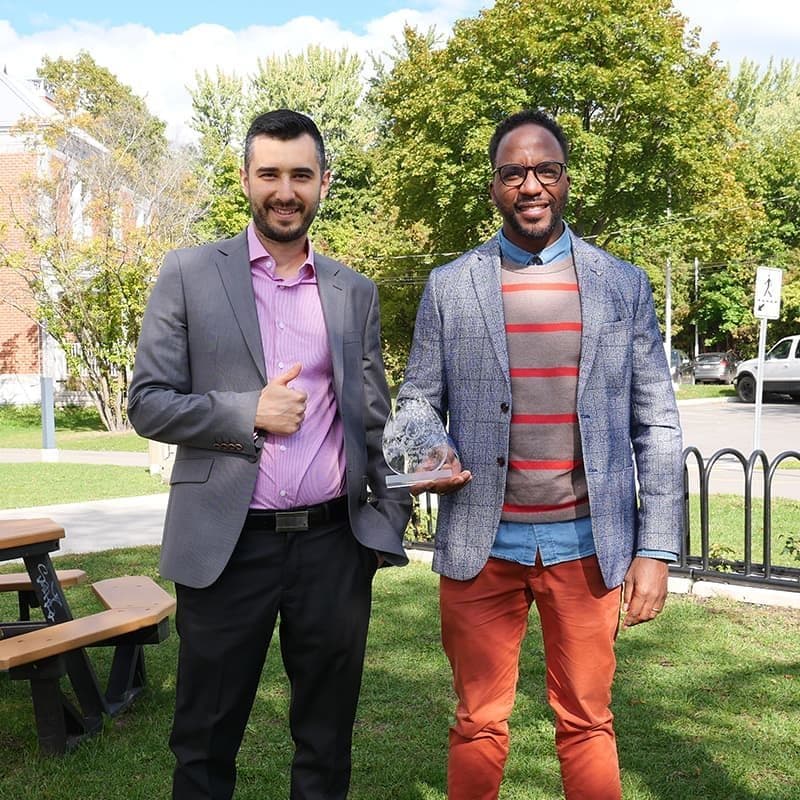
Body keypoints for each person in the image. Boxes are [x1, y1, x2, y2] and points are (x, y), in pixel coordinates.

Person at [128, 109, 410, 800]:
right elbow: (147, 402)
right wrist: (242, 411)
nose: (285, 191)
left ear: (324, 183)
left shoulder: (354, 291)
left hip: (332, 549)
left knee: (325, 740)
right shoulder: (189, 273)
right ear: (246, 179)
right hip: (225, 549)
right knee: (204, 740)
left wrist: (387, 522)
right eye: (270, 174)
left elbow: (375, 420)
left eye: (301, 176)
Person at [402, 109, 683, 800]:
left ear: (565, 180)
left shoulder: (623, 284)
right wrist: (424, 448)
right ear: (494, 187)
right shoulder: (451, 286)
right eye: (513, 173)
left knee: (587, 721)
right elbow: (414, 399)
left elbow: (659, 424)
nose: (531, 184)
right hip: (481, 544)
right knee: (477, 722)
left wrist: (657, 548)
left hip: (588, 547)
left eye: (545, 170)